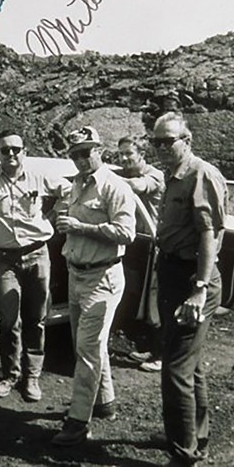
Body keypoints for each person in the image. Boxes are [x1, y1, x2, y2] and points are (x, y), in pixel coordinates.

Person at [0, 129, 70, 402]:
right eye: (5, 150)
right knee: (9, 320)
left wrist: (54, 214)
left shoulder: (39, 175)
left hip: (37, 254)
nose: (11, 154)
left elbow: (70, 190)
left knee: (37, 318)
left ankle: (32, 377)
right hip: (3, 258)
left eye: (16, 149)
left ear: (25, 152)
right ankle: (10, 375)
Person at [51, 126, 136, 446]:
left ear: (100, 150)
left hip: (103, 277)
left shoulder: (115, 187)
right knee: (86, 346)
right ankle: (105, 402)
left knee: (87, 350)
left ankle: (78, 422)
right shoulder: (76, 185)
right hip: (77, 273)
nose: (81, 159)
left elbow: (127, 233)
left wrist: (81, 226)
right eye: (75, 154)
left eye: (86, 152)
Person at [152, 112, 226, 467]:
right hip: (173, 272)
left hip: (193, 278)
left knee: (176, 368)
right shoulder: (173, 175)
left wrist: (198, 289)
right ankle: (195, 438)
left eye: (170, 141)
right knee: (189, 364)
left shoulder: (201, 174)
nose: (163, 147)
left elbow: (209, 234)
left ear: (188, 140)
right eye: (157, 142)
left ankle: (183, 455)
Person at [117, 136, 165, 372]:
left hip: (156, 243)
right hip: (135, 243)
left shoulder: (154, 175)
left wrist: (104, 176)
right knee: (137, 298)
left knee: (155, 301)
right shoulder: (123, 174)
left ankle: (160, 354)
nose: (124, 159)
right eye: (121, 155)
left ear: (142, 155)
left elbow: (139, 186)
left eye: (129, 154)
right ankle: (146, 346)